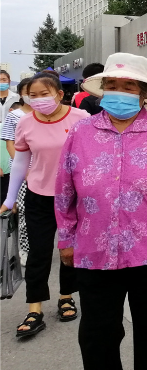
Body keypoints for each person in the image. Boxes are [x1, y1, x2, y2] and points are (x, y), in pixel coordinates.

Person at [53, 53, 147, 370]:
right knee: (97, 334)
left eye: (129, 86)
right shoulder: (81, 133)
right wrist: (66, 238)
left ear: (143, 93)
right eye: (112, 85)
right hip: (94, 249)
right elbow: (64, 189)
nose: (119, 92)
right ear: (102, 89)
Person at [0, 72, 89, 337]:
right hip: (39, 195)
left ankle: (66, 297)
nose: (38, 100)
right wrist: (9, 198)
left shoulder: (80, 119)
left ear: (60, 94)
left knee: (70, 251)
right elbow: (20, 162)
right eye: (32, 95)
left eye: (44, 94)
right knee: (38, 253)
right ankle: (34, 309)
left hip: (74, 198)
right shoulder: (25, 122)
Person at [1, 77, 33, 264]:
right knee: (25, 211)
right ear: (21, 94)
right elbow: (10, 145)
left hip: (46, 172)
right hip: (23, 174)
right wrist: (25, 169)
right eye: (28, 92)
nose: (33, 96)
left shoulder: (44, 117)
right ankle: (24, 248)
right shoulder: (14, 116)